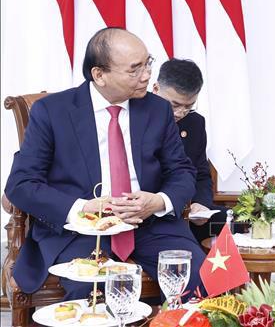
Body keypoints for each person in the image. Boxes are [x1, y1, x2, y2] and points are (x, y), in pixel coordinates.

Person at [5, 28, 206, 299]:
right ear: (99, 75)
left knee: (197, 277)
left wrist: (157, 201)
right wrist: (84, 209)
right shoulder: (52, 112)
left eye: (148, 63)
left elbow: (181, 171)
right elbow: (21, 185)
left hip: (149, 225)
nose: (147, 75)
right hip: (80, 231)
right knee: (91, 289)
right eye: (134, 69)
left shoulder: (157, 110)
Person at [153, 58, 230, 243]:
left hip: (186, 210)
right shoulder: (133, 117)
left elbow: (201, 174)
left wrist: (201, 203)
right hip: (151, 212)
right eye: (174, 105)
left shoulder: (195, 123)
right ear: (155, 89)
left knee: (242, 220)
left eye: (188, 106)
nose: (180, 113)